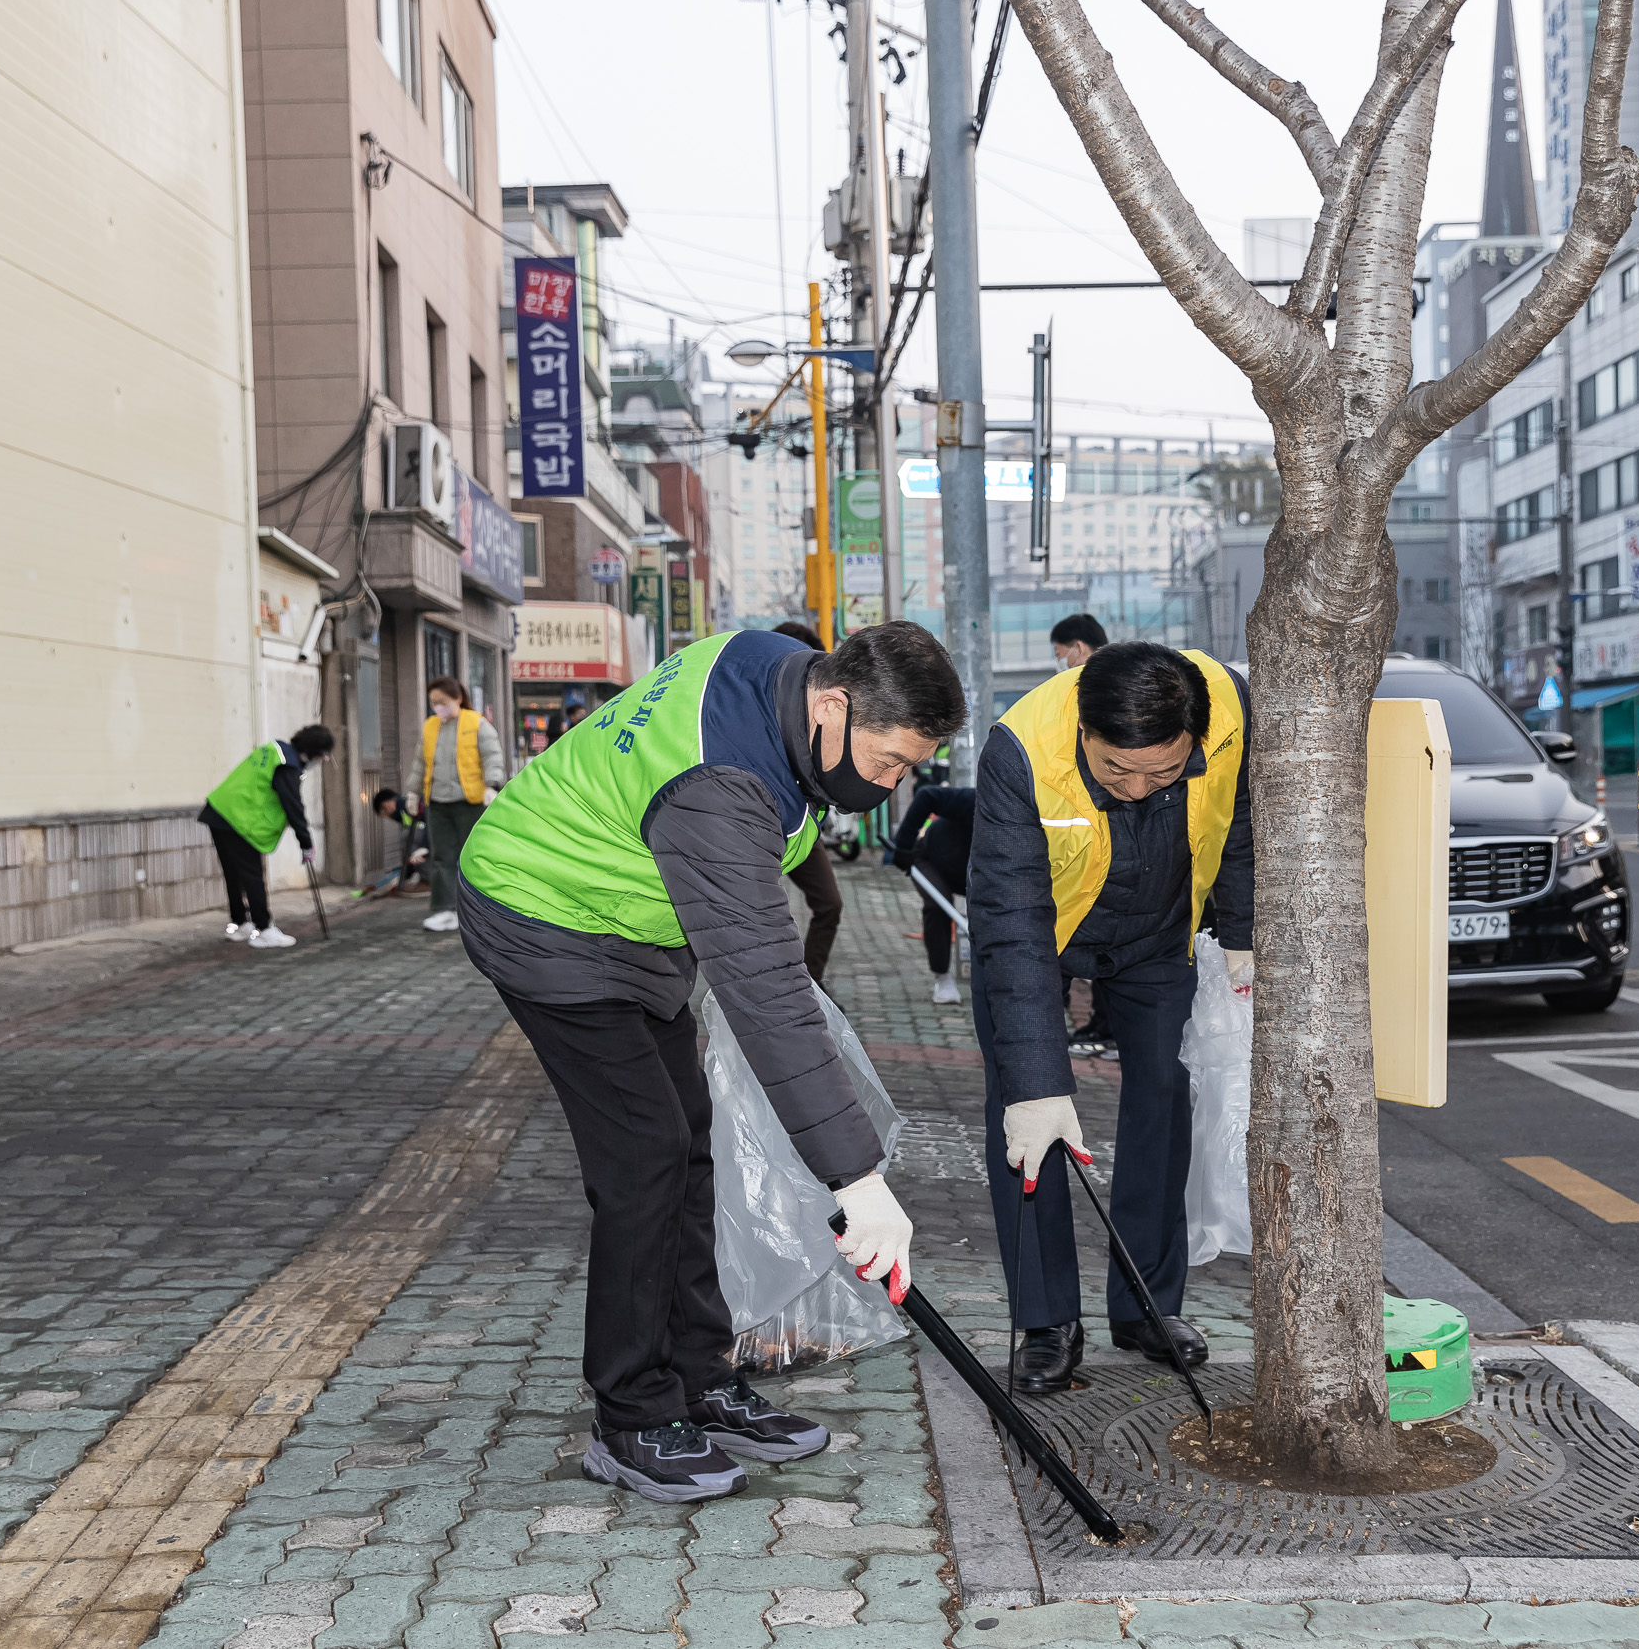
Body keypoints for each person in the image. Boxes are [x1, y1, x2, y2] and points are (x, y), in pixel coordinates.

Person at [456, 622, 963, 1502]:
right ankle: (632, 1414)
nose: (889, 787)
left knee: (688, 1137)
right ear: (834, 706)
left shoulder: (773, 667)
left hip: (622, 923)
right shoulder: (719, 788)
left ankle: (697, 1373)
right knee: (643, 1155)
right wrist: (857, 1178)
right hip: (540, 911)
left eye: (906, 769)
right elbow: (766, 986)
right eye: (888, 762)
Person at [969, 642, 1252, 1395]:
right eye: (1115, 770)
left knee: (1162, 1100)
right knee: (1026, 1115)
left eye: (1162, 771)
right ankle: (1046, 1319)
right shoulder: (1018, 750)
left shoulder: (1231, 709)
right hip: (1041, 938)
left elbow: (1246, 817)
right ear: (1082, 733)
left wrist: (1246, 933)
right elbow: (1010, 917)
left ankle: (1147, 1307)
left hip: (1158, 933)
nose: (1136, 788)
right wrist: (1037, 1083)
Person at [201, 723, 337, 950]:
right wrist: (306, 844)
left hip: (219, 811)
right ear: (314, 752)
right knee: (252, 874)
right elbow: (293, 806)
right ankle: (264, 929)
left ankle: (241, 923)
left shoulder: (275, 751)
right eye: (323, 756)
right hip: (237, 819)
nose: (321, 761)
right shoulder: (288, 765)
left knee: (234, 873)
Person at [1047, 613, 1115, 1057]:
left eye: (1060, 655)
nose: (1060, 664)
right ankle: (1100, 1027)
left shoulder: (1097, 691)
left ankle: (1104, 1029)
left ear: (1080, 648)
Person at [769, 622, 844, 985]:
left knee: (830, 904)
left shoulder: (825, 707)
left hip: (802, 825)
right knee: (752, 916)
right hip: (752, 823)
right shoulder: (758, 704)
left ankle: (812, 986)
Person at [406, 676, 504, 934]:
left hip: (470, 801)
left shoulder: (477, 724)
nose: (438, 707)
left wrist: (492, 785)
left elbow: (492, 755)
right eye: (433, 703)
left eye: (442, 702)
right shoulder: (430, 727)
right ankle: (445, 910)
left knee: (474, 856)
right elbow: (420, 762)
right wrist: (412, 792)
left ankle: (482, 909)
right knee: (441, 858)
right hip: (438, 802)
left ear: (458, 698)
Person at [889, 783, 975, 1006]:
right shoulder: (976, 801)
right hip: (929, 860)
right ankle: (943, 978)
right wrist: (904, 846)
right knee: (939, 904)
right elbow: (927, 795)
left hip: (973, 876)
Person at [367, 788, 430, 896]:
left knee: (407, 836)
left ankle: (428, 881)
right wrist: (404, 876)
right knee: (407, 836)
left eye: (385, 815)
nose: (389, 818)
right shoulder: (404, 810)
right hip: (435, 838)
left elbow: (431, 825)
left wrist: (425, 847)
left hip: (436, 837)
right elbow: (408, 850)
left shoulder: (407, 806)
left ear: (387, 805)